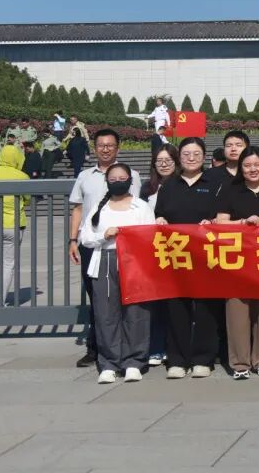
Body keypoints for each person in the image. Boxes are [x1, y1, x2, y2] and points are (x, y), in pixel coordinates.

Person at [68, 128, 142, 368]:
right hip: (92, 244)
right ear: (95, 148)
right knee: (97, 297)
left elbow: (137, 206)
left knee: (125, 296)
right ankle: (96, 348)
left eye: (110, 145)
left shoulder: (131, 175)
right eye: (101, 145)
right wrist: (73, 240)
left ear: (118, 148)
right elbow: (78, 209)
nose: (106, 149)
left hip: (124, 246)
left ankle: (126, 347)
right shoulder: (85, 176)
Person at [153, 137, 221, 379]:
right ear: (179, 157)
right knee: (176, 308)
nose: (191, 158)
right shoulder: (169, 185)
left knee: (206, 308)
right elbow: (159, 213)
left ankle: (203, 358)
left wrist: (213, 222)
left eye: (196, 154)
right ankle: (177, 359)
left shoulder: (214, 184)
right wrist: (160, 220)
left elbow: (222, 216)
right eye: (186, 154)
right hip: (177, 256)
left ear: (204, 156)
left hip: (206, 256)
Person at [215, 146, 259, 380]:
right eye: (247, 165)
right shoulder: (230, 190)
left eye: (257, 164)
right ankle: (240, 363)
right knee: (237, 312)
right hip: (237, 261)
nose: (253, 169)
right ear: (240, 168)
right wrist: (242, 223)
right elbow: (220, 222)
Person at [80, 163, 153, 383]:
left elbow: (150, 236)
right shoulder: (99, 208)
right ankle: (109, 363)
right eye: (113, 179)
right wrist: (104, 235)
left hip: (135, 262)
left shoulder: (141, 207)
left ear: (130, 180)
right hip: (105, 260)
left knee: (136, 312)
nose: (118, 182)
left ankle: (134, 361)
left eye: (122, 178)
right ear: (107, 182)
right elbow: (86, 238)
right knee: (105, 313)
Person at [140, 142, 178, 367]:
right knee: (156, 301)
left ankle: (175, 346)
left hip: (178, 248)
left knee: (176, 302)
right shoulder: (147, 188)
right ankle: (156, 347)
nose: (163, 165)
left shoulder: (182, 185)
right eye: (159, 161)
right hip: (153, 250)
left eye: (168, 161)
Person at [0, 145, 29, 307]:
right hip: (13, 226)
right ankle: (0, 301)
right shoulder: (22, 176)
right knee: (8, 264)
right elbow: (27, 199)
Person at [202, 130, 249, 196]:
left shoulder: (254, 174)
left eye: (238, 145)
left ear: (247, 148)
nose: (233, 149)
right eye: (228, 145)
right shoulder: (210, 174)